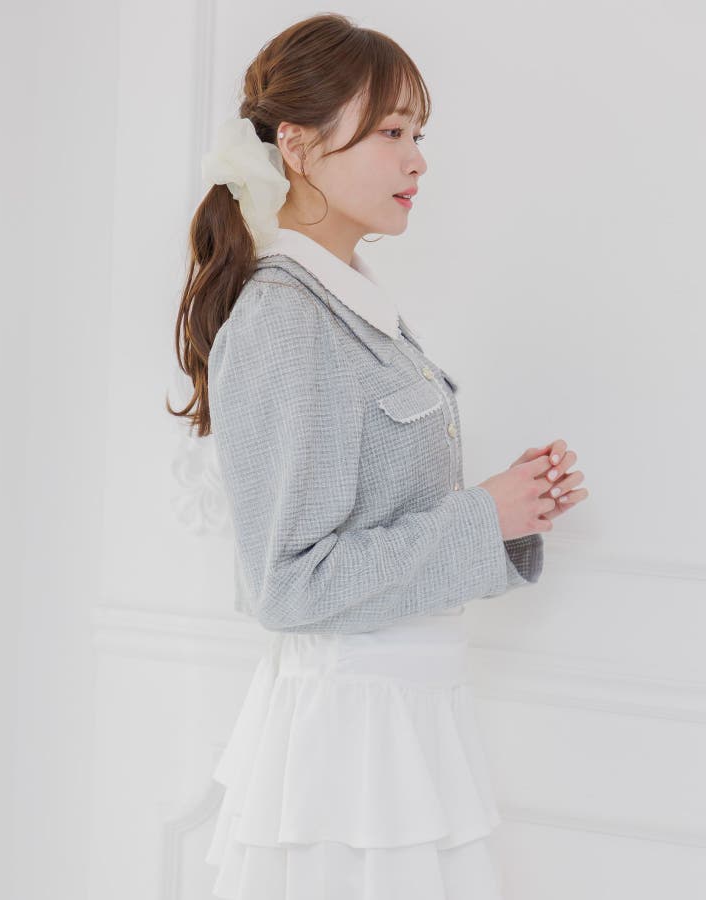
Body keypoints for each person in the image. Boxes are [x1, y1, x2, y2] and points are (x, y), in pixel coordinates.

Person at [167, 12, 588, 898]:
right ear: (298, 145)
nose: (417, 160)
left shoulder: (354, 307)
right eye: (392, 133)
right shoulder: (287, 319)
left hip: (399, 730)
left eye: (418, 134)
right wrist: (483, 516)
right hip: (348, 752)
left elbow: (378, 532)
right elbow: (290, 585)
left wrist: (509, 512)